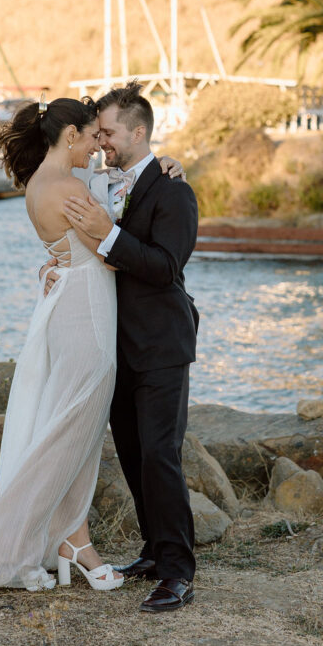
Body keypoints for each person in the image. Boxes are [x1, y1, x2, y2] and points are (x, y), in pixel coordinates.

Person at [0, 95, 124, 591]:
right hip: (86, 311)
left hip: (70, 302)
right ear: (71, 136)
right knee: (68, 431)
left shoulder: (39, 185)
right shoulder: (67, 187)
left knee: (74, 431)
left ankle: (74, 541)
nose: (96, 147)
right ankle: (10, 546)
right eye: (91, 137)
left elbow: (66, 248)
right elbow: (111, 256)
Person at [62, 81, 199, 613]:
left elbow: (167, 267)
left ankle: (179, 573)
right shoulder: (102, 183)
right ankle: (152, 551)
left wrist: (110, 235)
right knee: (136, 456)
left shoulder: (174, 191)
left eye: (111, 132)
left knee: (161, 456)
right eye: (99, 133)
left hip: (162, 344)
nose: (104, 141)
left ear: (139, 132)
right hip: (114, 345)